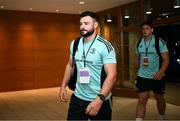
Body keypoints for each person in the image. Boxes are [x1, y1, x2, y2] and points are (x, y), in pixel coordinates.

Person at [59, 11, 117, 120]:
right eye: (80, 24)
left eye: (86, 23)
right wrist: (63, 85)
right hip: (78, 97)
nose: (82, 27)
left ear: (95, 25)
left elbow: (112, 75)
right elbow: (70, 65)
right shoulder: (75, 43)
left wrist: (99, 100)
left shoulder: (105, 46)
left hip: (99, 98)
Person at [135, 20, 169, 121]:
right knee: (142, 100)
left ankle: (161, 117)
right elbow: (137, 59)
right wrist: (136, 74)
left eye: (147, 28)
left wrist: (161, 72)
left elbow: (166, 59)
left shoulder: (159, 41)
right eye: (143, 29)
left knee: (160, 99)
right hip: (142, 76)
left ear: (152, 30)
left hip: (157, 76)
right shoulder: (138, 42)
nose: (145, 31)